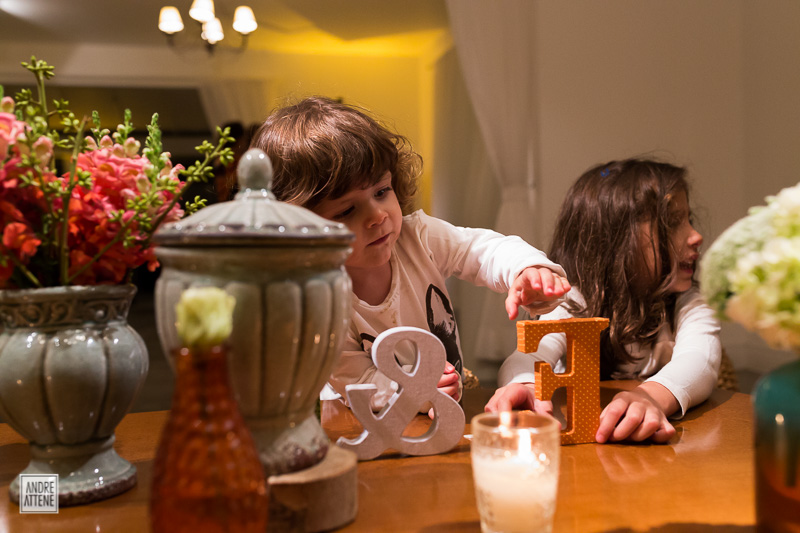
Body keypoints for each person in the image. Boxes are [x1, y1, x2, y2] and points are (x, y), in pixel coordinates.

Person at [250, 96, 570, 411]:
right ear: (299, 228)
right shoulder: (316, 302)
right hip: (358, 425)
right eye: (347, 210)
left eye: (381, 191)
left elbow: (481, 249)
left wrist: (526, 270)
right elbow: (356, 378)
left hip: (445, 413)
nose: (377, 215)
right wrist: (414, 392)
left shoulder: (417, 237)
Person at [486, 159, 721, 443]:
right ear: (615, 241)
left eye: (689, 219)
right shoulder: (574, 301)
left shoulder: (690, 303)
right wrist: (522, 385)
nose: (696, 236)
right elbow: (530, 356)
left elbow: (700, 361)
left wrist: (651, 398)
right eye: (672, 222)